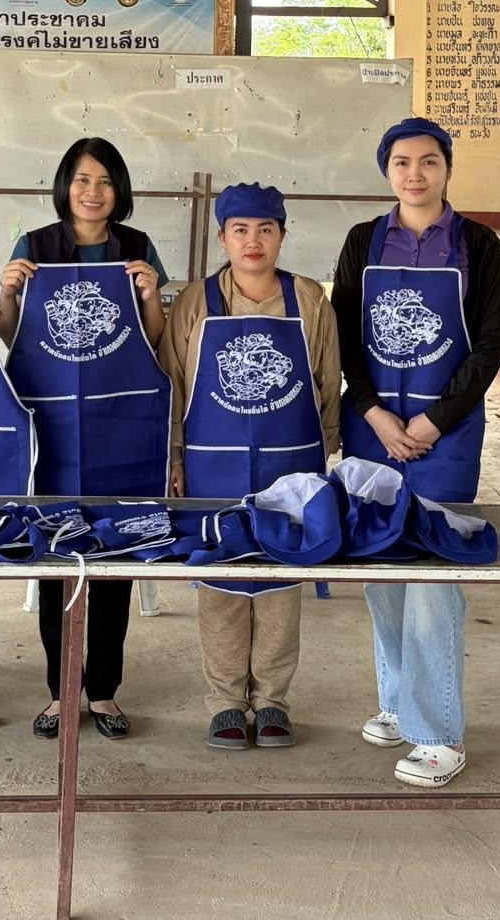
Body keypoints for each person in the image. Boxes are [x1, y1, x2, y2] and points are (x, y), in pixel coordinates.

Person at [332, 117, 500, 788]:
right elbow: (346, 333)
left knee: (434, 572)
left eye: (428, 161)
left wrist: (435, 420)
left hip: (448, 432)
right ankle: (399, 701)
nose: (415, 172)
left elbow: (489, 344)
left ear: (446, 168)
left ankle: (439, 733)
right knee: (380, 567)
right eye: (402, 161)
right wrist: (376, 413)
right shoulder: (362, 241)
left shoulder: (478, 244)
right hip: (374, 426)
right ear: (387, 171)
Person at [0, 136, 170, 742]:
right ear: (64, 186)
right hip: (51, 429)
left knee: (116, 560)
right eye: (81, 180)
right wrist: (9, 292)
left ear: (118, 189)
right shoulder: (34, 246)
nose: (92, 192)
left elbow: (154, 337)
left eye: (103, 181)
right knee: (55, 563)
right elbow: (12, 336)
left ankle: (103, 692)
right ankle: (57, 690)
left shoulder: (137, 246)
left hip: (120, 426)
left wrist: (151, 295)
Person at [162, 183, 341, 752]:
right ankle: (224, 704)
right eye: (240, 230)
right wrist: (175, 460)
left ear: (283, 236)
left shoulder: (310, 300)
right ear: (223, 238)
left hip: (291, 467)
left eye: (266, 229)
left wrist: (325, 459)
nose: (254, 241)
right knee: (221, 582)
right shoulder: (194, 301)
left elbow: (327, 387)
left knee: (280, 582)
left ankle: (272, 702)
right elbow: (174, 386)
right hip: (211, 467)